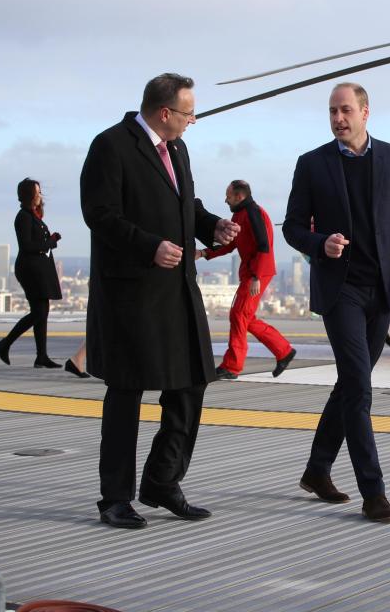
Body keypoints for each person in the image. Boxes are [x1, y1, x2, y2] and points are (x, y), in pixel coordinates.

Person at [80, 73, 239, 529]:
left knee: (191, 384)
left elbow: (184, 204)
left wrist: (211, 227)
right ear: (165, 112)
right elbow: (100, 215)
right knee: (126, 392)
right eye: (189, 113)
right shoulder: (110, 145)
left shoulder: (178, 148)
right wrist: (148, 245)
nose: (193, 121)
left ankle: (162, 481)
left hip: (177, 291)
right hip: (131, 294)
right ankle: (114, 498)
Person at [283, 82, 390, 522]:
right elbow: (291, 227)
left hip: (382, 292)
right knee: (359, 388)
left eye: (345, 110)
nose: (338, 119)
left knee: (350, 385)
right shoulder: (312, 164)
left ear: (366, 112)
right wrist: (320, 242)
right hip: (339, 290)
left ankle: (317, 470)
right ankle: (374, 492)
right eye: (332, 112)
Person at [197, 180, 295, 380]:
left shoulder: (253, 213)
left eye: (228, 196)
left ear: (239, 196)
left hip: (256, 274)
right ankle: (283, 351)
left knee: (238, 315)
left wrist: (256, 277)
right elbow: (230, 243)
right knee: (244, 316)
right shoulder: (240, 214)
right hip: (252, 273)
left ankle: (232, 366)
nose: (225, 200)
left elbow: (263, 245)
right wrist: (204, 253)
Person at [0, 178, 63, 368]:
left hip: (37, 269)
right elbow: (27, 246)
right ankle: (4, 344)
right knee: (39, 312)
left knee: (42, 311)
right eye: (37, 192)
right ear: (29, 195)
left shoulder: (33, 216)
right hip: (30, 270)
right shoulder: (23, 217)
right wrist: (50, 242)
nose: (40, 195)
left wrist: (50, 239)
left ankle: (41, 356)